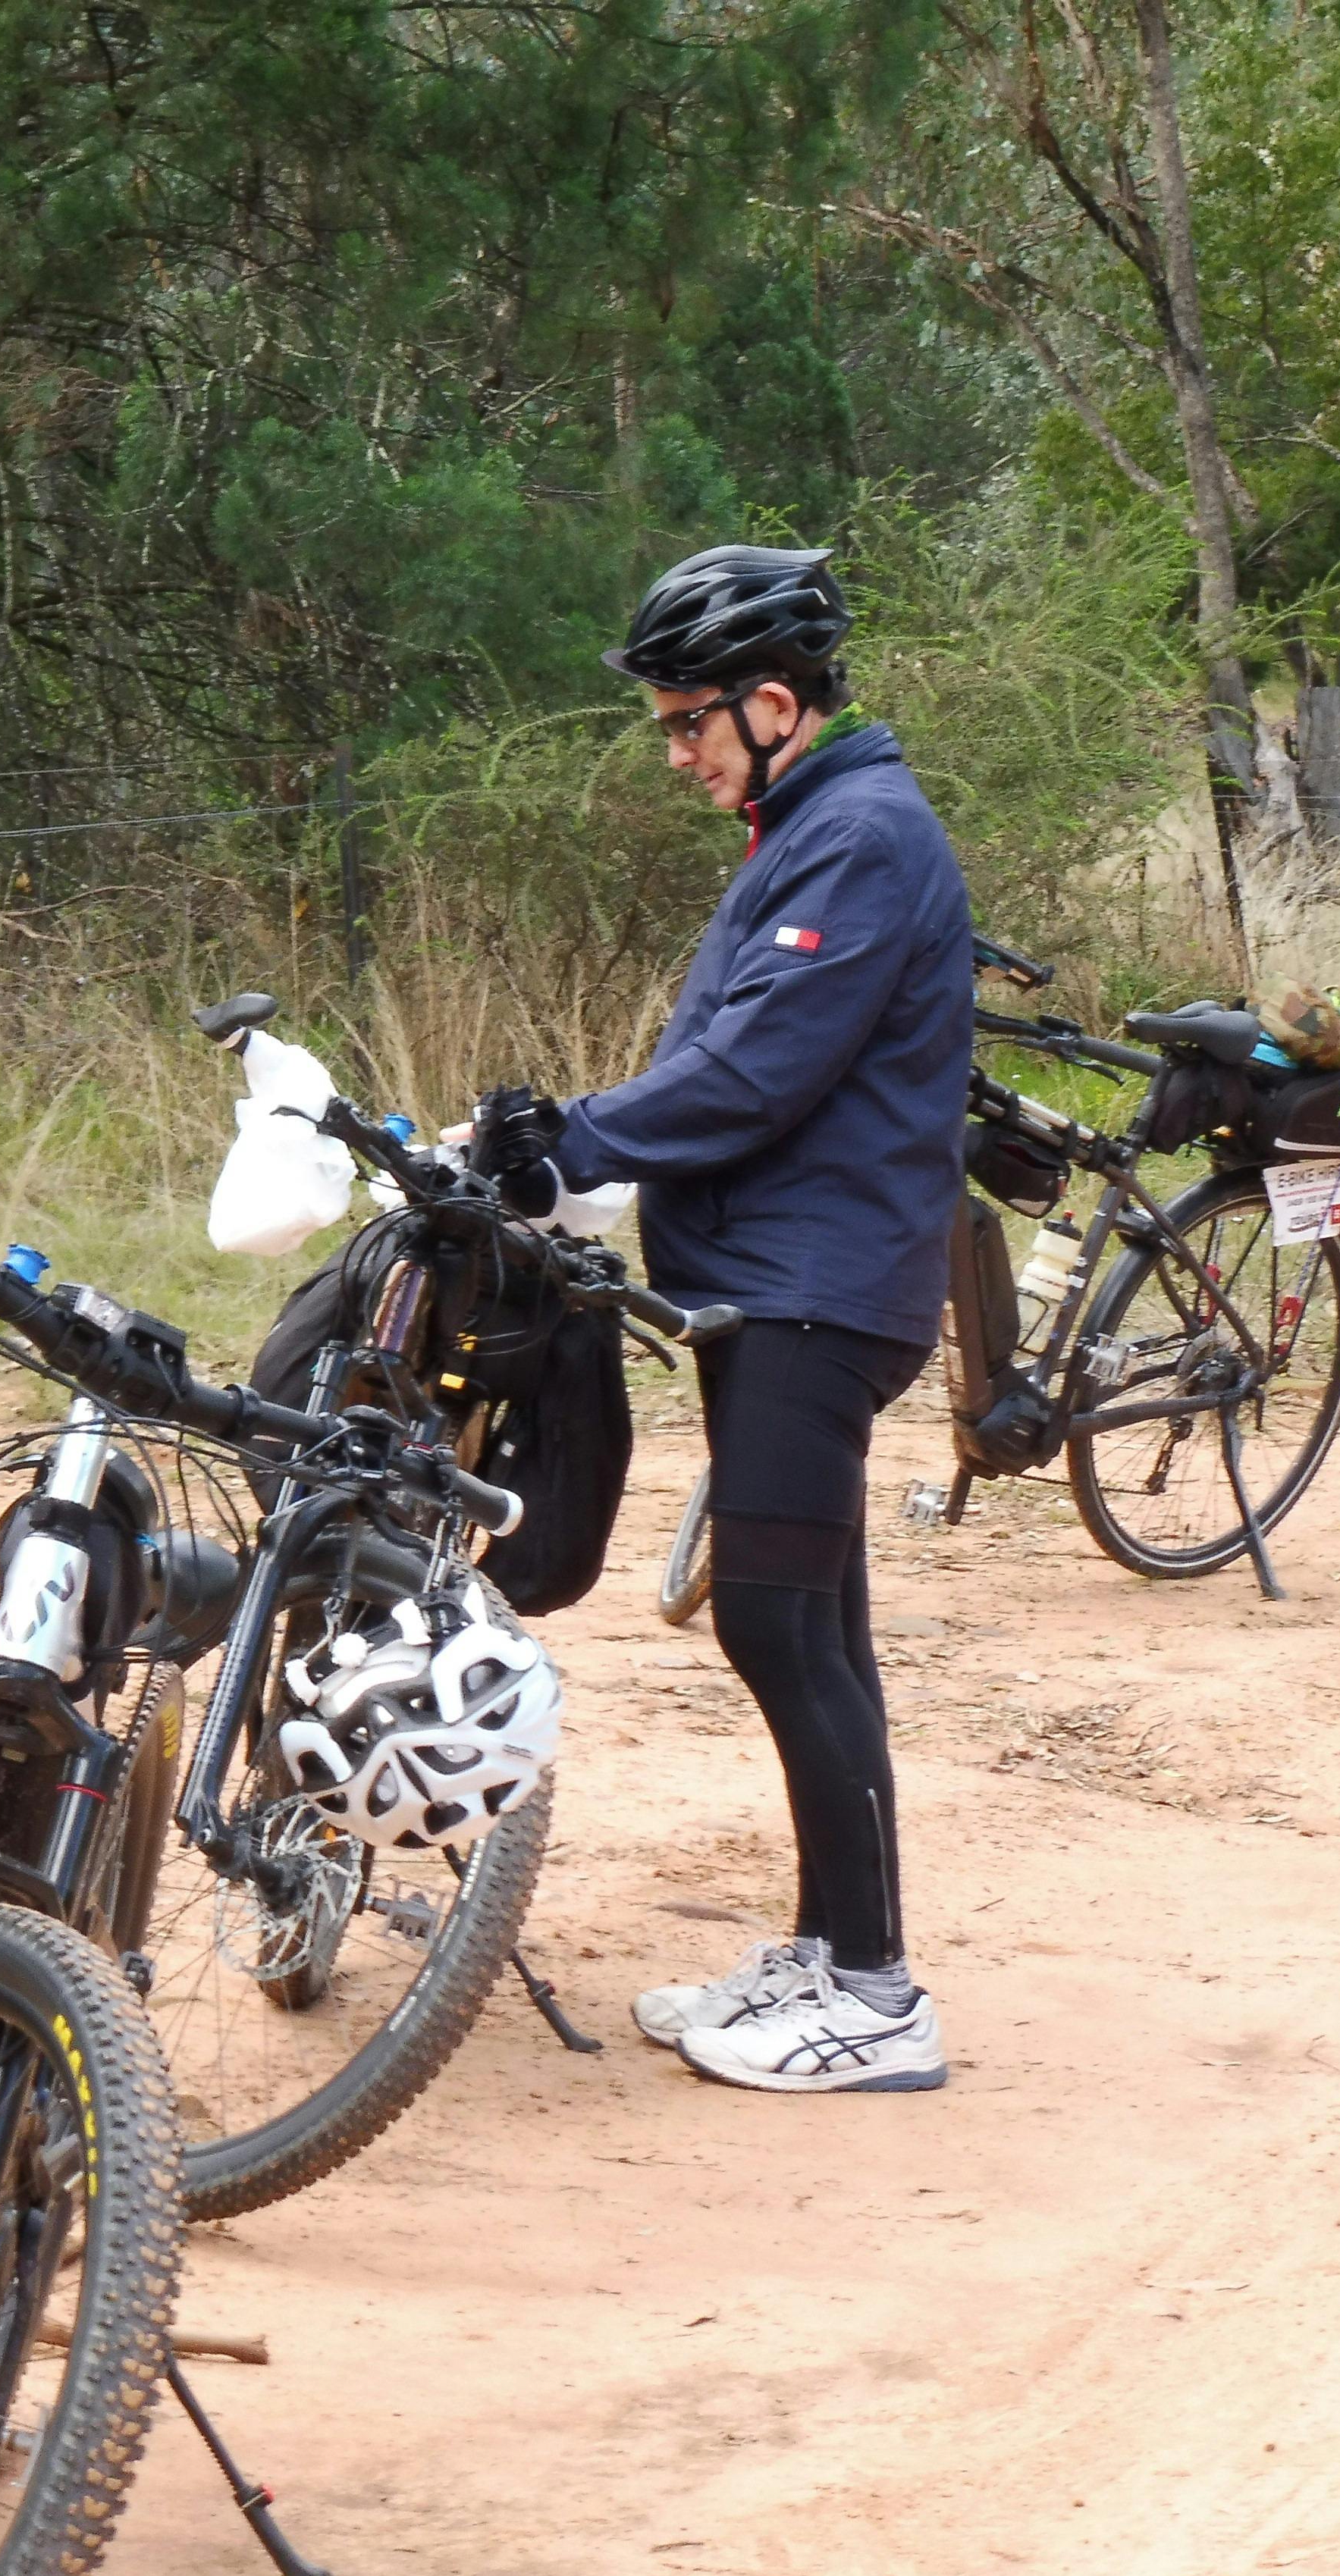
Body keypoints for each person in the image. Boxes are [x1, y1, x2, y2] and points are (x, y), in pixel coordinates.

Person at [472, 543, 971, 2094]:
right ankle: (833, 1955)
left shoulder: (865, 839)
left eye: (690, 721)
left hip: (816, 1294)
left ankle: (879, 1997)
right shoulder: (813, 824)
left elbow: (763, 1064)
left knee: (771, 1618)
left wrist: (581, 1139)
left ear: (775, 703)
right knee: (821, 1622)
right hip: (785, 1280)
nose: (677, 752)